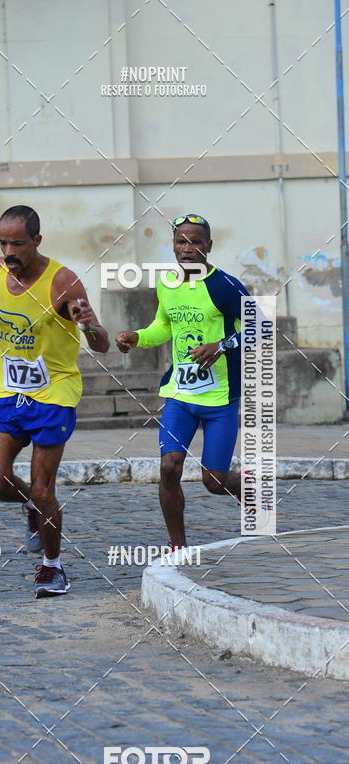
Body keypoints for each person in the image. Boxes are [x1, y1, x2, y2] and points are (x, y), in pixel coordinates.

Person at [0, 205, 109, 598]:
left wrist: (90, 326)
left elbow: (102, 345)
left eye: (17, 243)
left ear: (37, 241)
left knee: (45, 490)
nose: (9, 251)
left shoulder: (63, 281)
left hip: (54, 393)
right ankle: (31, 505)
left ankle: (52, 567)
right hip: (8, 392)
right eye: (3, 242)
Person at [116, 214, 249, 549]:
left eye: (195, 242)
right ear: (173, 245)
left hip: (219, 397)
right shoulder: (168, 284)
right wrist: (137, 336)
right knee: (169, 467)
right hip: (180, 393)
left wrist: (222, 345)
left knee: (213, 482)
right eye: (181, 242)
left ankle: (242, 486)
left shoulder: (226, 286)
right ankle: (178, 547)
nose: (187, 249)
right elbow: (164, 326)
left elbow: (260, 329)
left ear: (209, 246)